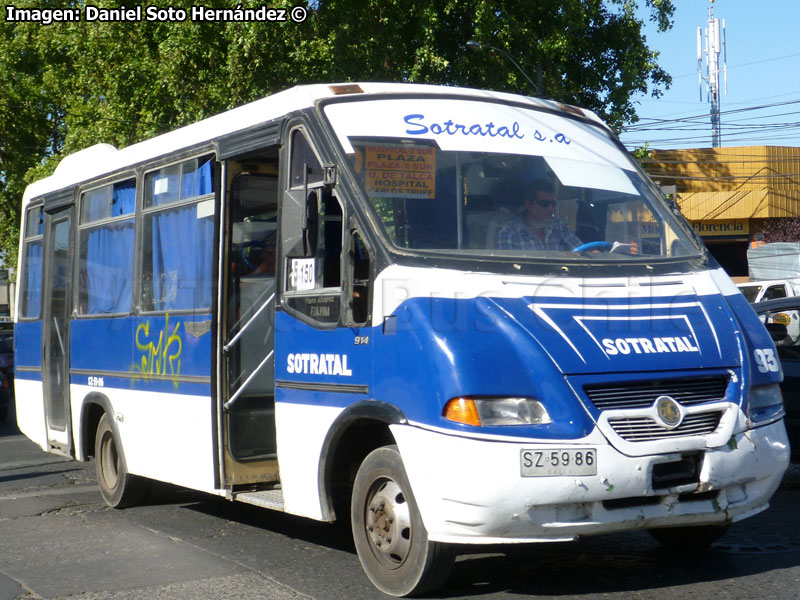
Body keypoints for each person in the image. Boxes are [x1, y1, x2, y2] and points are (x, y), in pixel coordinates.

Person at [496, 181, 582, 251]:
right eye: (545, 204)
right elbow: (508, 268)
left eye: (553, 204)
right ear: (529, 205)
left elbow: (582, 252)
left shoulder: (561, 227)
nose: (551, 208)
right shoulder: (510, 231)